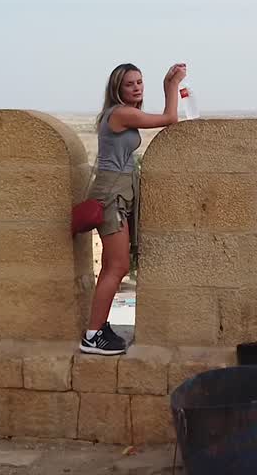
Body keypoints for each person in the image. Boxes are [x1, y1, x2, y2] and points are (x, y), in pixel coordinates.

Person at [80, 61, 188, 355]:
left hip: (119, 194)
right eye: (130, 84)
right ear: (118, 88)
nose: (137, 87)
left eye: (140, 82)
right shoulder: (121, 113)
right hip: (112, 196)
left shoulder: (119, 113)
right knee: (116, 267)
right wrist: (172, 85)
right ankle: (92, 337)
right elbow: (170, 118)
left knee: (114, 267)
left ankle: (98, 328)